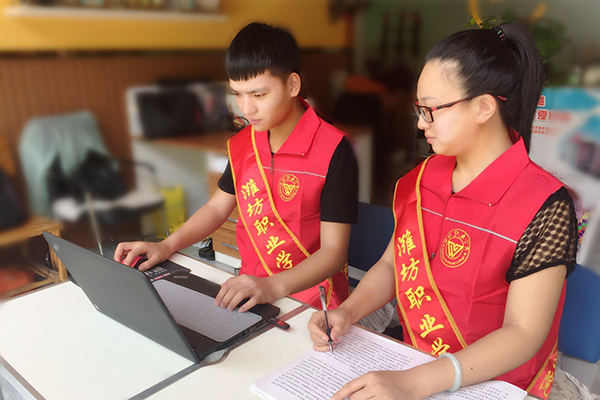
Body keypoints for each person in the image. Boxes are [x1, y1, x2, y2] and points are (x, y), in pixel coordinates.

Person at [308, 23, 578, 400]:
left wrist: (414, 383)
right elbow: (392, 266)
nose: (421, 124)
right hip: (415, 362)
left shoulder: (545, 205)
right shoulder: (420, 180)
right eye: (419, 109)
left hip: (495, 385)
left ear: (483, 107)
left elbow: (523, 332)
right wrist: (348, 312)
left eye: (431, 110)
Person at [114, 22, 358, 312]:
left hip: (313, 299)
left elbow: (333, 252)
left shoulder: (333, 150)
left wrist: (274, 286)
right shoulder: (245, 143)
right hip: (250, 286)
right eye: (237, 94)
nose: (246, 108)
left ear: (292, 85)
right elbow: (217, 208)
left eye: (258, 95)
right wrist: (167, 245)